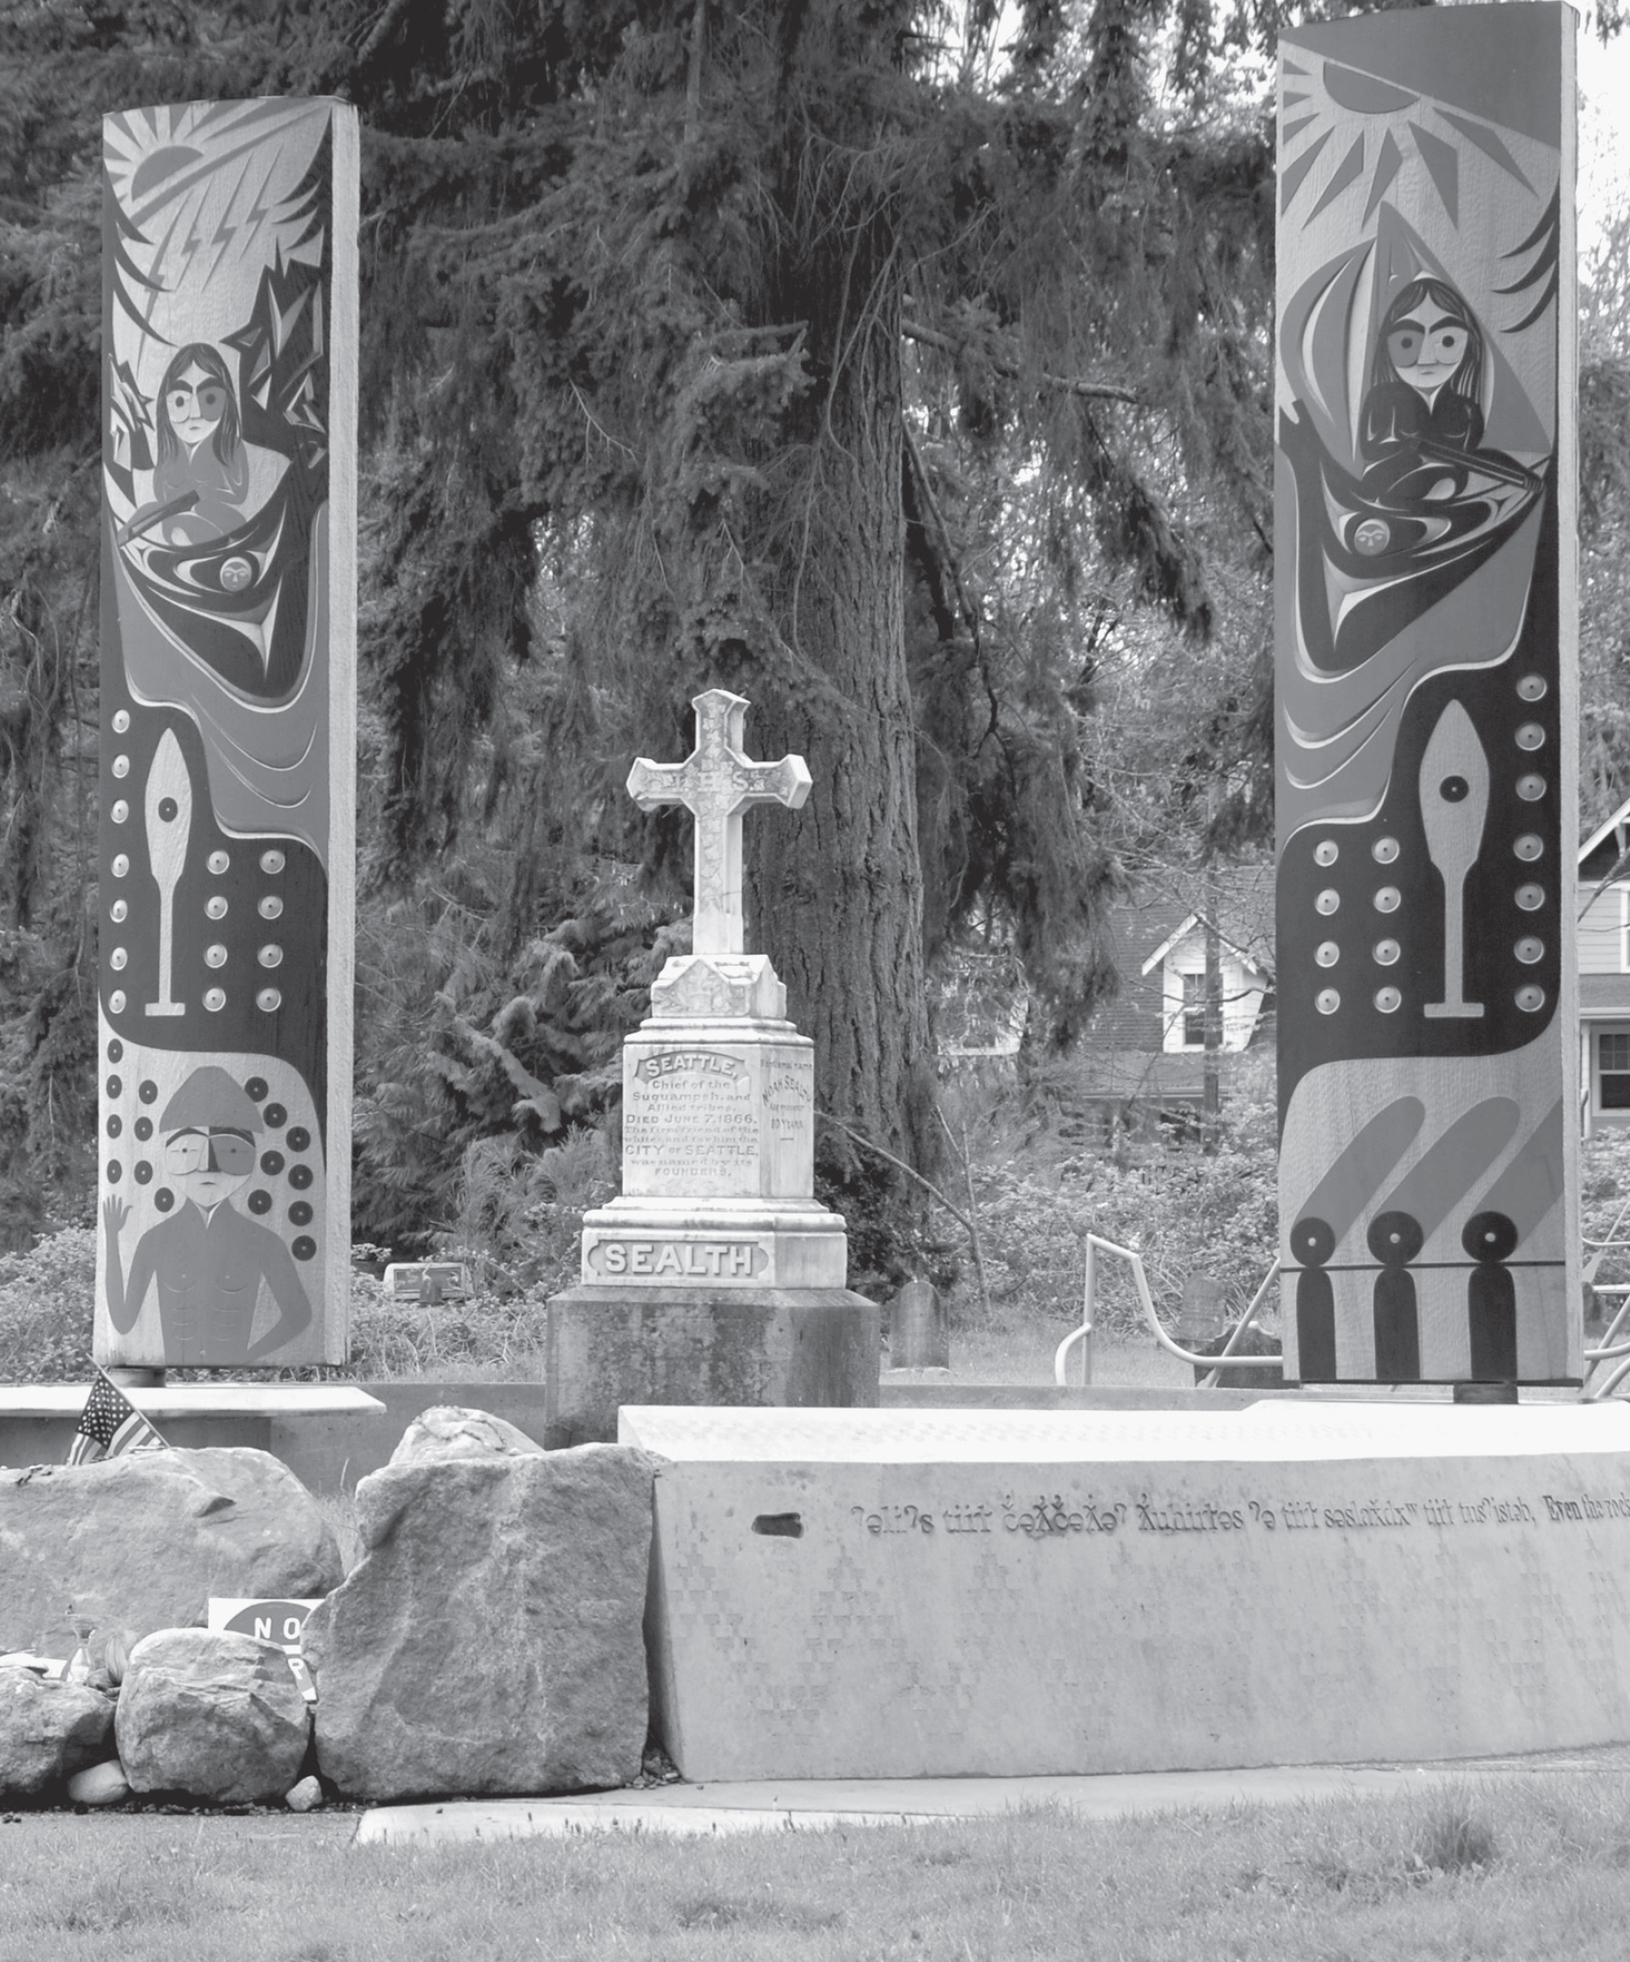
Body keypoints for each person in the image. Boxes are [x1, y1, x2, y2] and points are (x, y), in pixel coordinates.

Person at [103, 1065, 312, 1364]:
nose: (207, 1165)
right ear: (166, 1157)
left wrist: (250, 1357)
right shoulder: (155, 1239)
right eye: (187, 1151)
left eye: (230, 1150)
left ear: (252, 1157)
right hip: (172, 1381)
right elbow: (123, 1321)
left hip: (240, 1386)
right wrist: (111, 1238)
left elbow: (300, 1314)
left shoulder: (262, 1241)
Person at [1358, 278, 1527, 508]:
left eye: (1447, 341)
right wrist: (1409, 448)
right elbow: (1370, 450)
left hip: (1447, 491)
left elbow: (1471, 459)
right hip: (1388, 485)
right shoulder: (1383, 399)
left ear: (1468, 344)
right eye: (1407, 342)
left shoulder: (1466, 410)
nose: (1427, 357)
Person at [123, 343, 250, 547]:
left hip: (215, 517)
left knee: (204, 513)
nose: (195, 412)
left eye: (209, 399)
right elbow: (159, 490)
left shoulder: (231, 445)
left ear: (227, 403)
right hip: (174, 516)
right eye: (180, 401)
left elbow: (239, 494)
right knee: (146, 514)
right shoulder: (171, 449)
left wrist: (207, 493)